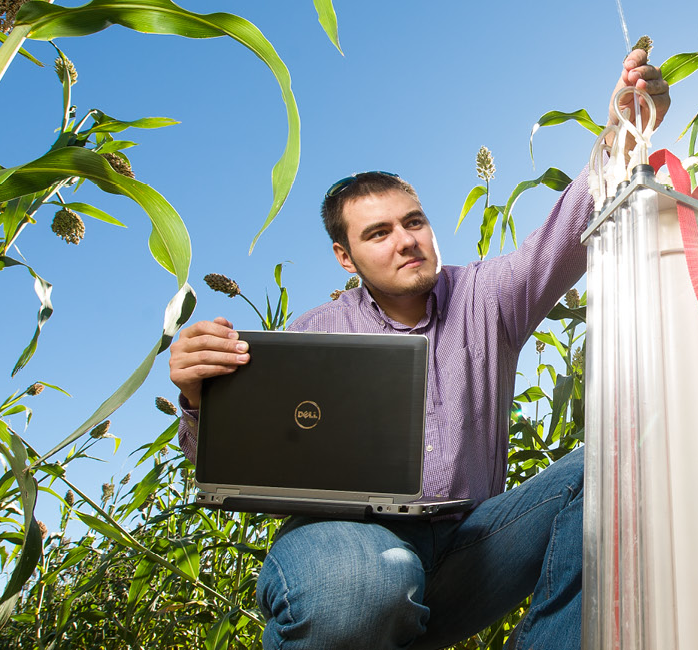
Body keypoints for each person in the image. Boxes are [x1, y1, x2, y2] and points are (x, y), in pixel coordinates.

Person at [167, 48, 670, 650]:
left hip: (470, 545)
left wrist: (627, 127)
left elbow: (561, 237)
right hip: (345, 543)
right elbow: (226, 464)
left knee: (622, 458)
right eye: (378, 233)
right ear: (344, 257)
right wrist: (199, 397)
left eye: (414, 221)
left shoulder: (488, 296)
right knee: (370, 588)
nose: (406, 241)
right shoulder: (315, 333)